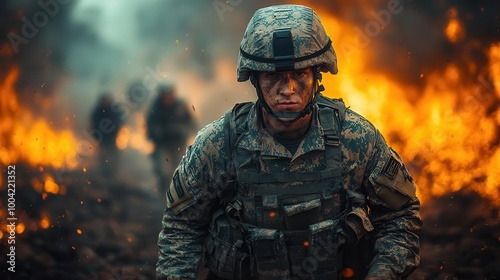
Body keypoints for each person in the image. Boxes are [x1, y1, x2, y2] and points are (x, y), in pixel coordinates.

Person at [157, 4, 422, 280]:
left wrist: (381, 274)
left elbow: (399, 216)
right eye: (273, 76)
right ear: (256, 80)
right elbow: (182, 226)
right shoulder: (218, 145)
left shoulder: (355, 139)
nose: (288, 89)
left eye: (299, 74)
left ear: (317, 77)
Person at [147, 84, 197, 194]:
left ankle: (179, 194)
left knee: (179, 171)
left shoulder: (181, 106)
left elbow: (192, 123)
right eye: (164, 96)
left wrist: (180, 129)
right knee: (163, 171)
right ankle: (163, 194)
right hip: (162, 143)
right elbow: (150, 125)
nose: (167, 99)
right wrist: (160, 132)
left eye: (169, 96)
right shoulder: (156, 107)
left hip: (178, 144)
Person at [91, 93, 123, 175]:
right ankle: (104, 171)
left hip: (111, 136)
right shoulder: (98, 111)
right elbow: (94, 123)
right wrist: (96, 134)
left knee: (113, 153)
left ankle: (113, 171)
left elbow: (118, 122)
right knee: (103, 154)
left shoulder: (114, 110)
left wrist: (114, 131)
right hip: (102, 136)